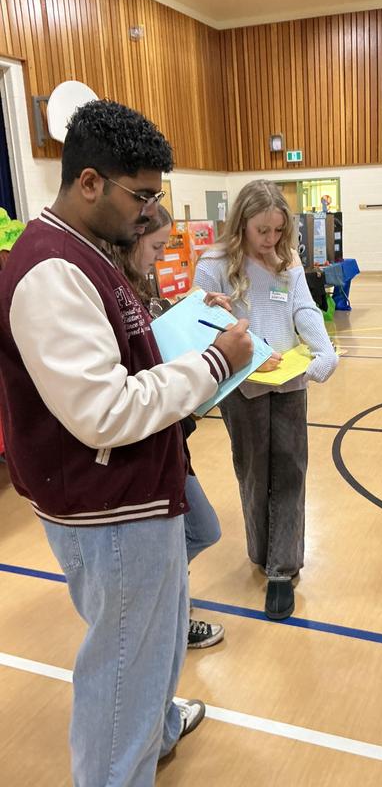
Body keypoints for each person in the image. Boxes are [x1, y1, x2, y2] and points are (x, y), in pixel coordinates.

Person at [0, 99, 253, 785]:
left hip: (135, 489)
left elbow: (128, 355)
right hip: (105, 503)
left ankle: (157, 729)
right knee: (121, 669)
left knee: (153, 646)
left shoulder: (85, 253)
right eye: (140, 195)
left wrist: (197, 328)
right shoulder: (50, 268)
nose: (149, 212)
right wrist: (215, 362)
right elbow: (103, 411)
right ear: (88, 183)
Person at [194, 179, 338, 621]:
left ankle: (282, 567)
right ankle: (261, 552)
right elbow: (200, 322)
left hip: (290, 385)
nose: (271, 239)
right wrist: (252, 354)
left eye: (278, 230)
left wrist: (323, 347)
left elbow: (302, 308)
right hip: (243, 387)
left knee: (291, 471)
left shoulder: (287, 259)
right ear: (241, 224)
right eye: (262, 231)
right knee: (254, 472)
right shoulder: (213, 264)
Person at [112, 205, 225, 649]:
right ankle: (167, 614)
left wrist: (198, 307)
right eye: (157, 246)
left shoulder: (138, 287)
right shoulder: (109, 290)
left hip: (171, 438)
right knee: (196, 531)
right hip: (149, 443)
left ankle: (171, 609)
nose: (161, 257)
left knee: (200, 531)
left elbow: (163, 326)